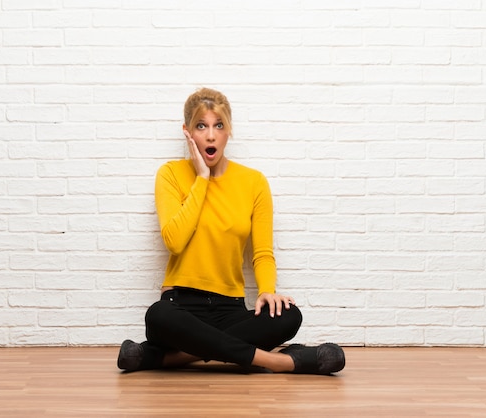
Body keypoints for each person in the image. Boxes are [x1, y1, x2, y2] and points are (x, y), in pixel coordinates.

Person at [117, 87, 345, 375]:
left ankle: (168, 358)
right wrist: (202, 178)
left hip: (230, 310)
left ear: (228, 132)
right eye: (201, 126)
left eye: (218, 126)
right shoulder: (171, 174)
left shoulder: (253, 182)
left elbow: (262, 253)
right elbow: (174, 242)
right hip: (181, 306)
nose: (210, 135)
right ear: (187, 132)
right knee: (158, 316)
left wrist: (266, 291)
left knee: (288, 317)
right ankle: (281, 361)